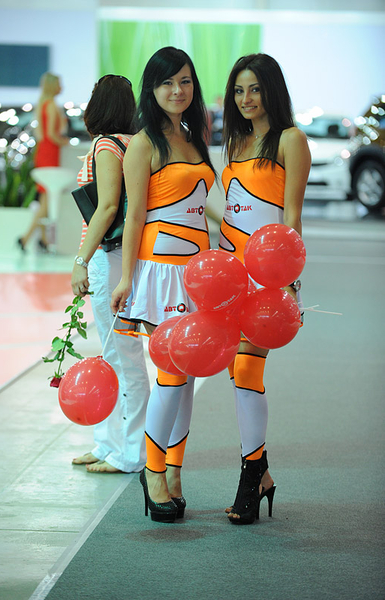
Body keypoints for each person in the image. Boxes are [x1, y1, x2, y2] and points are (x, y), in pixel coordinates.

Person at [111, 47, 216, 522]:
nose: (177, 90)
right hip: (159, 270)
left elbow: (202, 206)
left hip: (198, 274)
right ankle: (152, 472)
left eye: (185, 81)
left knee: (188, 376)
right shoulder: (142, 144)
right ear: (151, 89)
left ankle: (173, 472)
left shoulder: (194, 136)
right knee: (172, 374)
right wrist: (127, 277)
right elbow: (134, 216)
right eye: (167, 82)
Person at [219, 53, 311, 524]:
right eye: (239, 90)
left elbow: (291, 218)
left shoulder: (291, 140)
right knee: (237, 375)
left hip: (266, 278)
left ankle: (250, 477)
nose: (246, 98)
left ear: (272, 89)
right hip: (228, 275)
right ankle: (263, 473)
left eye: (254, 88)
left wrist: (290, 283)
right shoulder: (236, 140)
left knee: (247, 371)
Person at [70, 74, 150, 474]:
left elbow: (106, 208)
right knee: (116, 355)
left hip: (108, 255)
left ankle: (131, 453)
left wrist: (80, 260)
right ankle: (108, 444)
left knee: (123, 357)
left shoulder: (106, 145)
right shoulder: (134, 142)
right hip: (123, 256)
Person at [18, 72, 69, 251]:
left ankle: (43, 239)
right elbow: (52, 135)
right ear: (53, 86)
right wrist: (65, 142)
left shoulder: (44, 104)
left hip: (44, 152)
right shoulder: (51, 105)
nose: (61, 87)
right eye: (59, 84)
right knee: (47, 198)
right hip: (50, 153)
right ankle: (26, 238)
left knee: (44, 198)